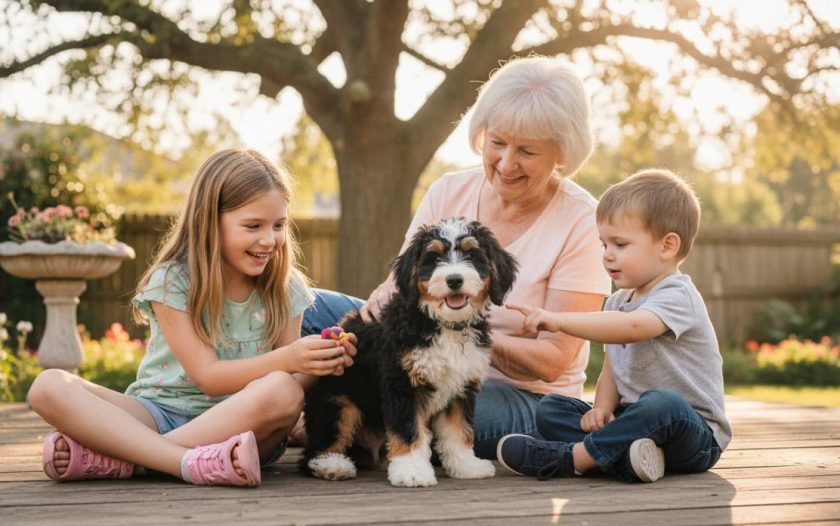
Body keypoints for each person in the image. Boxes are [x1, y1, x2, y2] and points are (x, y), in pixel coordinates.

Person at [28, 149, 356, 487]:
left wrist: (318, 362)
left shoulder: (286, 286)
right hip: (158, 412)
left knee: (284, 390)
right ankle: (180, 461)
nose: (269, 239)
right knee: (49, 386)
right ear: (209, 221)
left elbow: (290, 379)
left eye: (279, 225)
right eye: (253, 226)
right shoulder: (173, 281)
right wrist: (289, 358)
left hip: (244, 426)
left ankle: (128, 457)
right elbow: (208, 377)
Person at [356, 55, 612, 458]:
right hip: (425, 359)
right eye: (497, 143)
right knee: (320, 315)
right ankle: (313, 415)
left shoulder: (582, 222)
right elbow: (400, 286)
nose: (506, 163)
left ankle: (354, 426)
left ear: (562, 153)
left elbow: (554, 361)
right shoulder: (448, 191)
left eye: (527, 151)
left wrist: (464, 329)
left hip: (521, 395)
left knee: (422, 405)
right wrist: (380, 300)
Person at [496, 169, 731, 483]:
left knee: (662, 403)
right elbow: (613, 368)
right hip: (634, 425)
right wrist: (601, 409)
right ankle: (628, 459)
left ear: (667, 246)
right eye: (604, 244)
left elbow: (633, 326)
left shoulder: (678, 295)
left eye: (620, 244)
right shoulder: (618, 301)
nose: (607, 255)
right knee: (550, 409)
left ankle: (572, 458)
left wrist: (559, 320)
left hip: (692, 435)